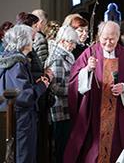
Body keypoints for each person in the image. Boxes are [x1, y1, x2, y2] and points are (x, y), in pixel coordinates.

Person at [64, 21, 124, 163]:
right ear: (99, 36)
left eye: (112, 39)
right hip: (95, 111)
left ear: (118, 37)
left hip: (118, 111)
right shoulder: (90, 53)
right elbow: (73, 80)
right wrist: (87, 69)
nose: (108, 42)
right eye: (104, 39)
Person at [0, 24, 51, 163]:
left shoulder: (10, 59)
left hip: (17, 115)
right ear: (24, 41)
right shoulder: (17, 63)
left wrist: (35, 83)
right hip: (22, 116)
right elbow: (24, 96)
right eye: (31, 39)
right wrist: (42, 85)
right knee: (24, 156)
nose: (33, 43)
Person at [45, 26, 79, 163]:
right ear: (64, 41)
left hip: (66, 108)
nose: (74, 46)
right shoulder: (58, 58)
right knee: (61, 147)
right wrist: (74, 91)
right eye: (72, 43)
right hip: (59, 110)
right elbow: (55, 87)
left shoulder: (65, 55)